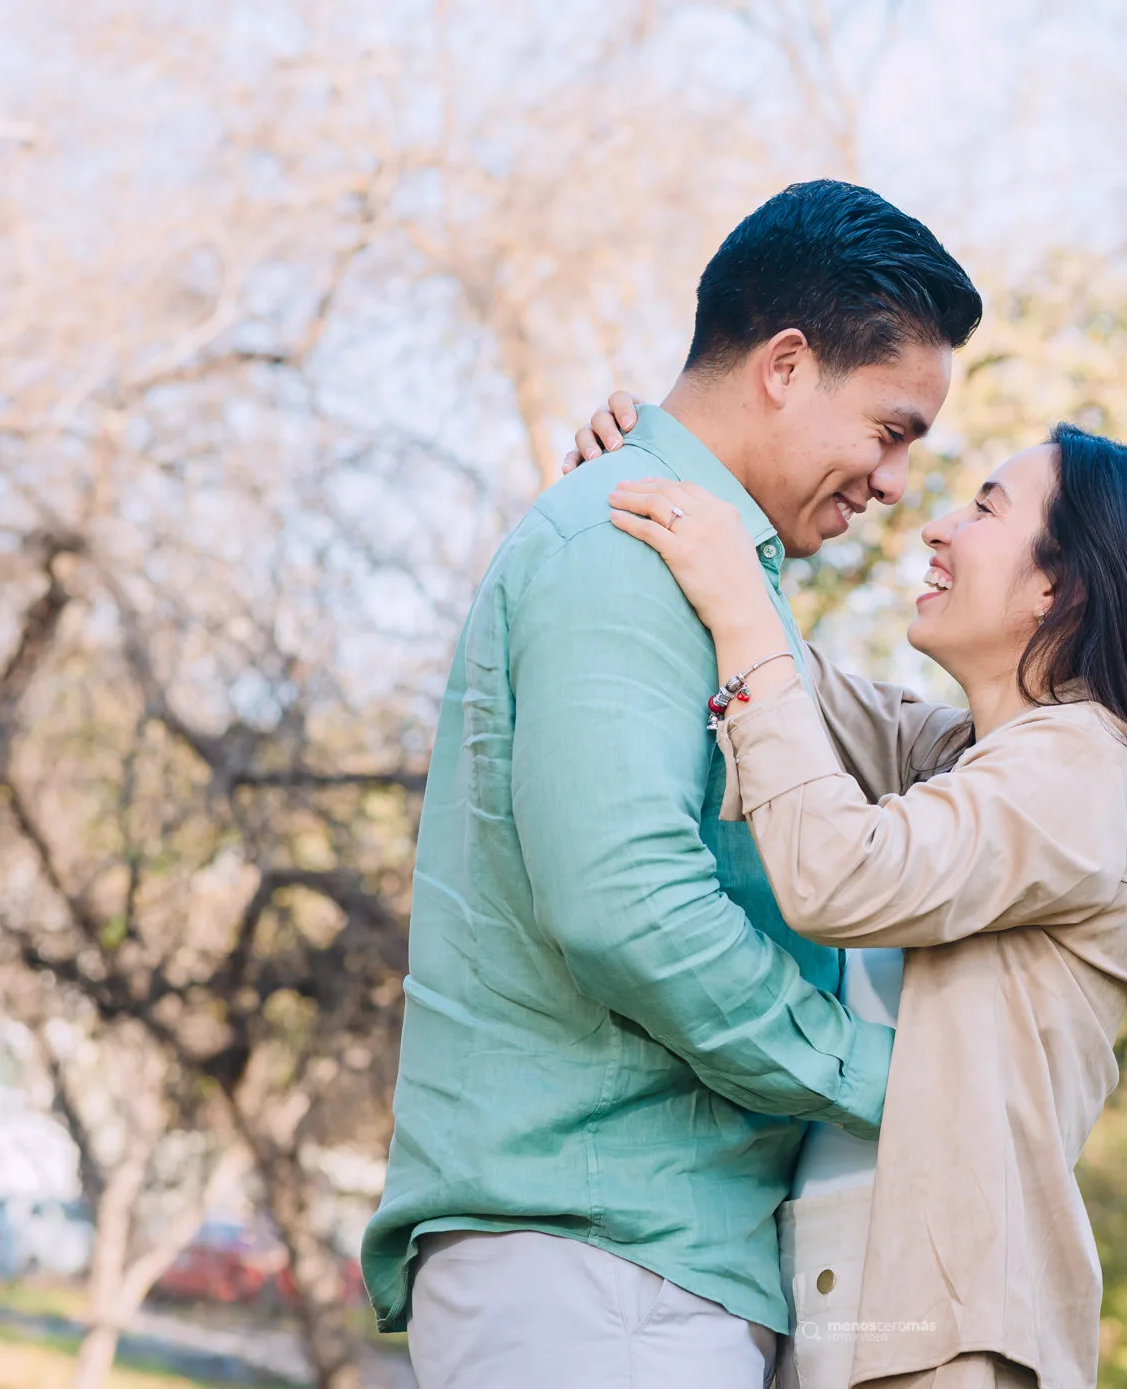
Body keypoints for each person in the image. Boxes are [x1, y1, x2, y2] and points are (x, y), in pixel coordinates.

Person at [360, 179, 983, 1389]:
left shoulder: (692, 560)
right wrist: (882, 1087)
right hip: (594, 1277)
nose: (897, 482)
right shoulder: (624, 549)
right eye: (892, 428)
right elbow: (625, 904)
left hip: (639, 1272)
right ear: (788, 365)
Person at [580, 406, 1127, 1389]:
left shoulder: (1085, 770)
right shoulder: (973, 758)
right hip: (884, 1321)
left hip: (949, 1339)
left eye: (984, 508)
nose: (936, 526)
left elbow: (836, 869)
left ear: (1061, 584)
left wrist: (740, 606)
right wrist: (659, 500)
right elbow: (801, 696)